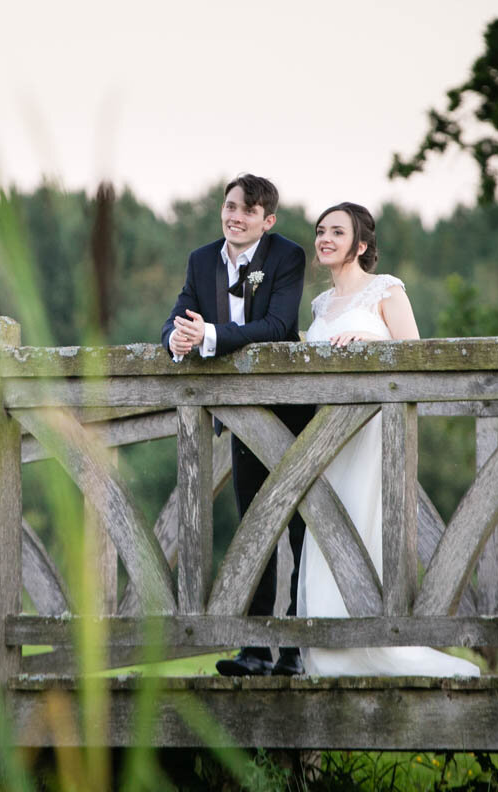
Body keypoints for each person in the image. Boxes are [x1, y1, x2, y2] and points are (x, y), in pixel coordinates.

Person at [296, 202, 481, 678]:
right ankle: (327, 650)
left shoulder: (386, 289)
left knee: (364, 519)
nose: (325, 238)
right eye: (320, 231)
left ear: (360, 245)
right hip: (327, 434)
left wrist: (371, 349)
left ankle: (372, 641)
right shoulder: (319, 306)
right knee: (326, 524)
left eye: (337, 232)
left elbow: (416, 354)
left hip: (374, 429)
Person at [162, 174, 312, 677]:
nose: (235, 216)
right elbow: (177, 315)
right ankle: (252, 648)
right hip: (240, 417)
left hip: (291, 412)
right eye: (230, 207)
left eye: (248, 211)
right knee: (254, 530)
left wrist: (208, 335)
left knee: (300, 530)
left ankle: (296, 649)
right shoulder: (202, 259)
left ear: (267, 221)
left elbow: (277, 327)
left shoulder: (286, 256)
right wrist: (176, 341)